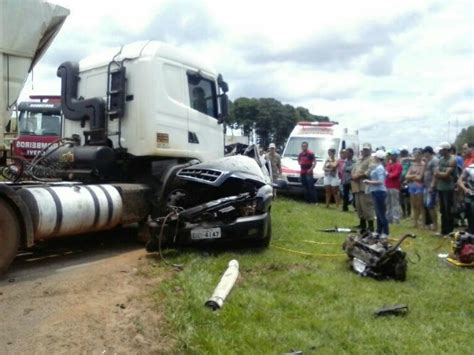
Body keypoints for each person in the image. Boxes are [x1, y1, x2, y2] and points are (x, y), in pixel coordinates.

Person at [363, 150, 389, 237]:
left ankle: (385, 232)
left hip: (380, 192)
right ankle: (379, 231)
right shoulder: (378, 167)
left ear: (377, 158)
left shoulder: (380, 168)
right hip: (375, 191)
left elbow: (380, 181)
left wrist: (369, 182)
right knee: (378, 213)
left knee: (381, 213)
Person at [433, 142, 457, 236]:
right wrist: (441, 175)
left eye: (441, 149)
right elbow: (437, 173)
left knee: (448, 210)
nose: (440, 151)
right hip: (441, 187)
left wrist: (440, 174)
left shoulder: (452, 160)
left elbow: (446, 174)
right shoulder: (441, 159)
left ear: (446, 150)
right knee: (442, 210)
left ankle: (450, 231)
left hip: (449, 188)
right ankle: (443, 231)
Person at [351, 143, 375, 231]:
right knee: (359, 205)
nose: (365, 151)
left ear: (370, 150)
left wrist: (358, 176)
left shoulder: (371, 160)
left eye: (367, 149)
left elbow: (369, 172)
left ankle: (371, 225)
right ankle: (362, 224)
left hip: (365, 185)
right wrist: (353, 175)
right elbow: (354, 169)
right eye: (364, 149)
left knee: (367, 206)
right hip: (357, 186)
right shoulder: (360, 159)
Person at [405, 149, 425, 228]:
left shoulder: (423, 165)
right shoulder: (412, 165)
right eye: (415, 155)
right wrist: (414, 176)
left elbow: (420, 177)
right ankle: (415, 221)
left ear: (421, 155)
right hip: (412, 186)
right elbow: (407, 176)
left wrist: (411, 176)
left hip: (419, 186)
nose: (416, 157)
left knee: (420, 204)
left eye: (418, 155)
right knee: (414, 205)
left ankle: (423, 221)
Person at [422, 146, 439, 231]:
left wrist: (432, 185)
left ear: (428, 152)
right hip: (426, 185)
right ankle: (431, 223)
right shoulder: (427, 161)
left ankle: (435, 225)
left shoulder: (434, 160)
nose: (424, 154)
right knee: (427, 205)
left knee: (431, 206)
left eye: (425, 152)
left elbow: (435, 174)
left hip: (431, 187)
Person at [385, 149, 402, 224]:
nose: (390, 156)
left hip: (394, 186)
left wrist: (388, 174)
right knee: (388, 203)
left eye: (391, 155)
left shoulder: (398, 165)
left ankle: (396, 219)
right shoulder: (389, 164)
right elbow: (386, 172)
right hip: (387, 185)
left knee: (395, 203)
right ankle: (389, 218)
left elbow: (394, 175)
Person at [458, 163, 474, 234]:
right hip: (471, 195)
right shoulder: (469, 169)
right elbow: (459, 181)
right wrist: (465, 189)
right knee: (471, 215)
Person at [399, 148, 412, 219]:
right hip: (400, 181)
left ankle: (409, 213)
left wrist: (407, 180)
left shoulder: (410, 162)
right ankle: (404, 213)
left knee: (407, 198)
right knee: (401, 198)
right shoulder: (399, 162)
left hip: (408, 181)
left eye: (404, 154)